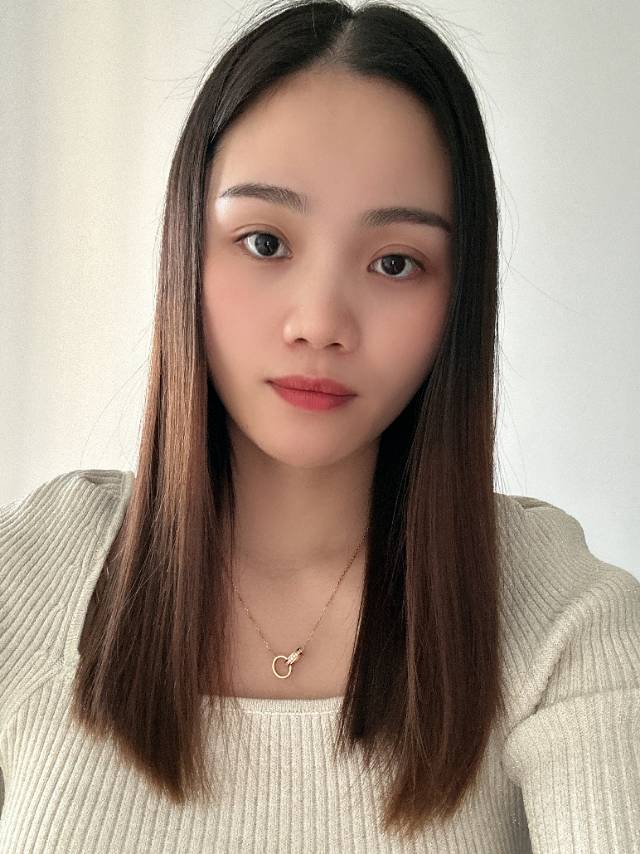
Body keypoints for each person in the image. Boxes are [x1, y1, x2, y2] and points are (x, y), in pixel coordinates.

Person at [1, 1, 638, 851]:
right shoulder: (27, 576)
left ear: (459, 296)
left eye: (395, 262)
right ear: (186, 250)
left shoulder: (567, 621)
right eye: (265, 242)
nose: (321, 322)